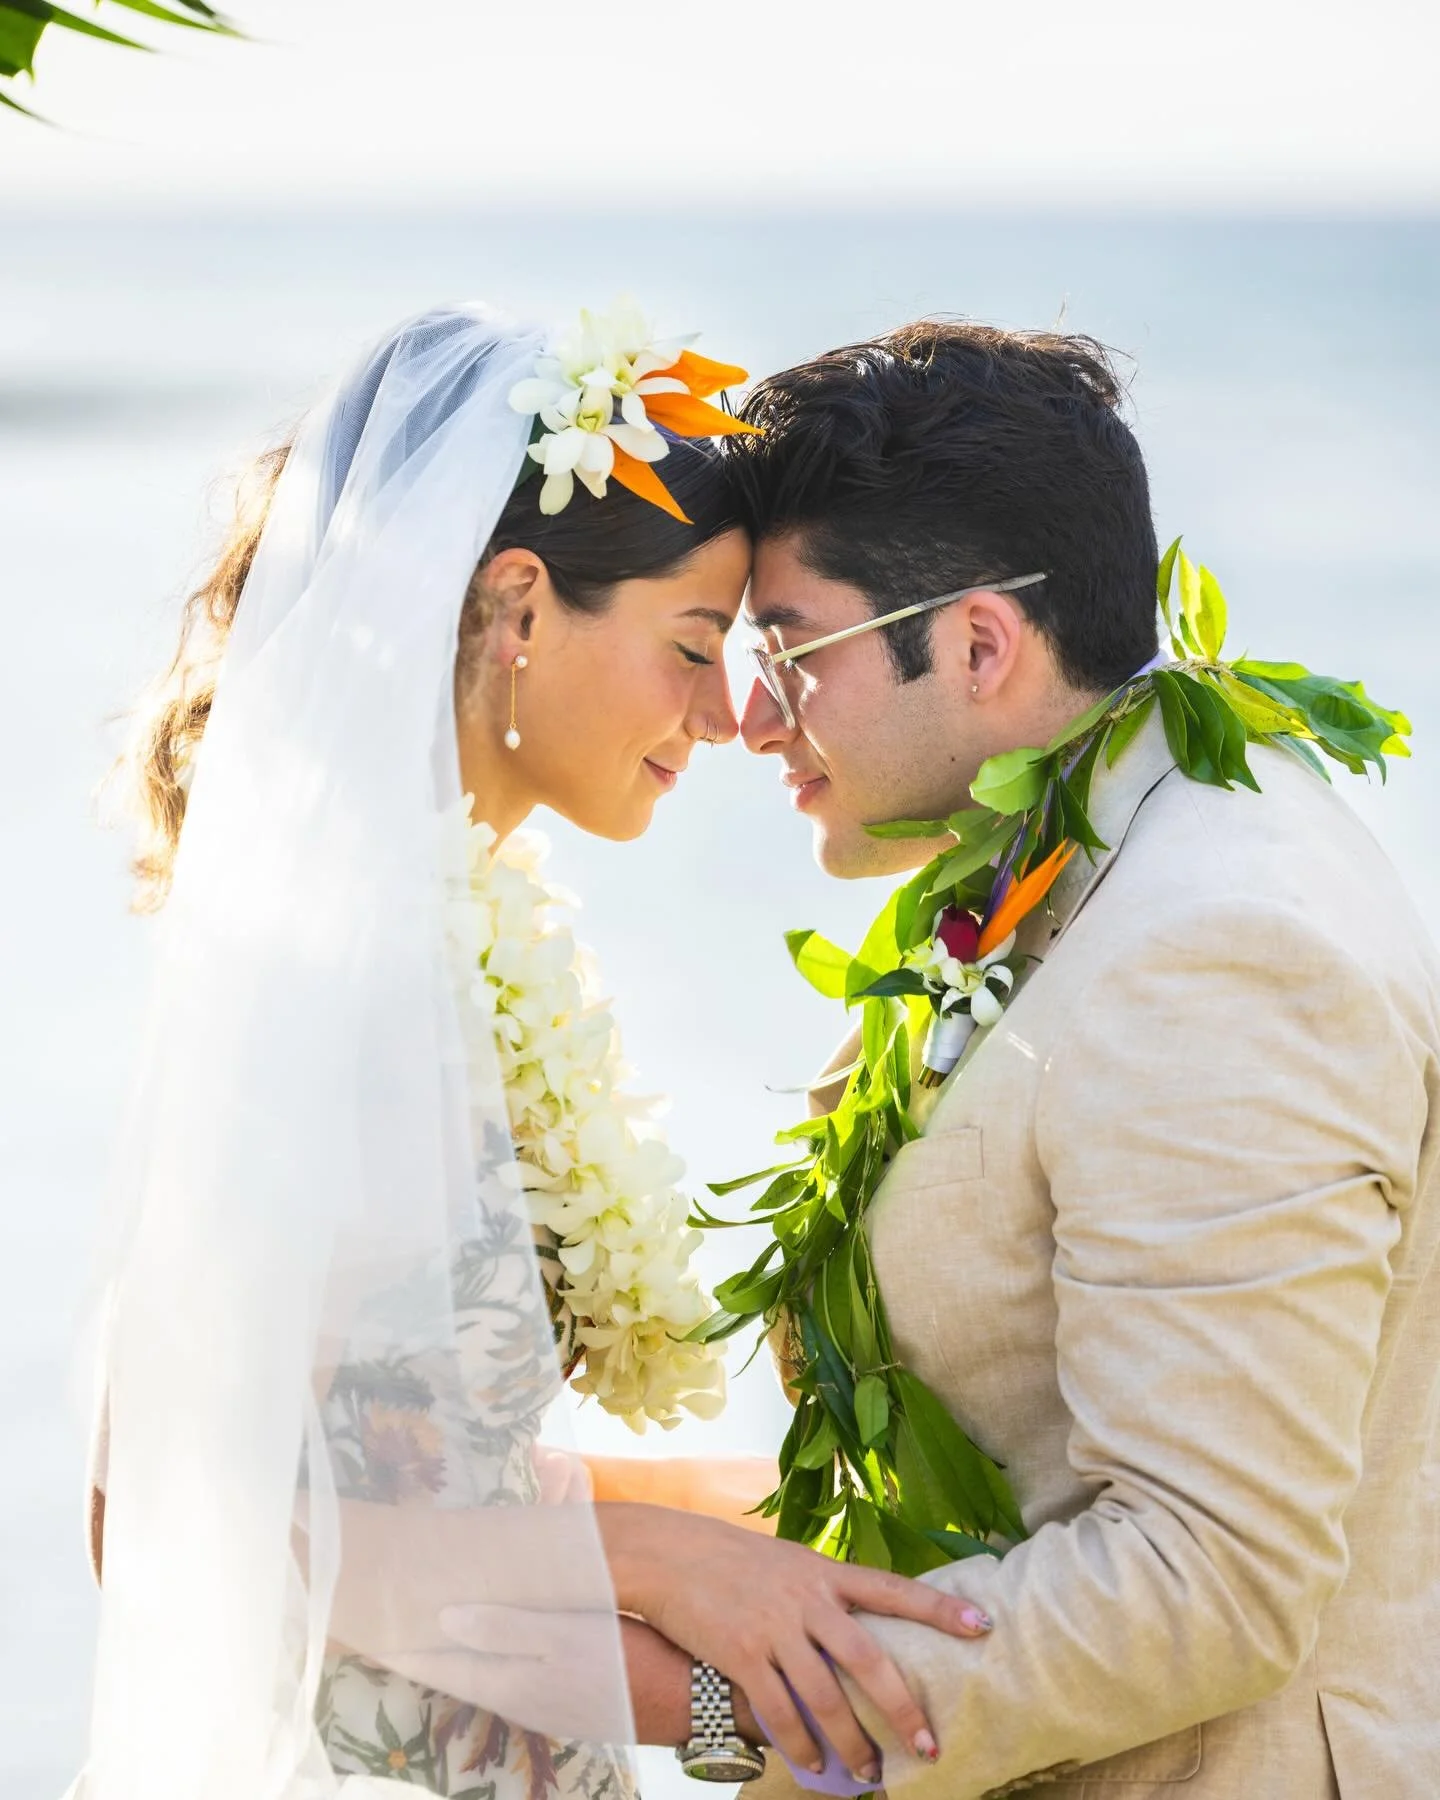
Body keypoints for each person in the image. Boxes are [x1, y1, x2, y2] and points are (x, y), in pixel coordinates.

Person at [75, 305, 992, 1800]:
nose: (731, 713)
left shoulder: (449, 942)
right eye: (694, 647)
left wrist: (763, 1533)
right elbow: (169, 1506)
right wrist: (710, 1640)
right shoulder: (353, 974)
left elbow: (410, 1481)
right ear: (515, 607)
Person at [722, 321, 1440, 1798]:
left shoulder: (1219, 946)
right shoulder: (1090, 847)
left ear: (980, 644)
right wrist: (607, 1550)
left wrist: (737, 1707)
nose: (746, 721)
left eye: (788, 658)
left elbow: (1208, 1581)